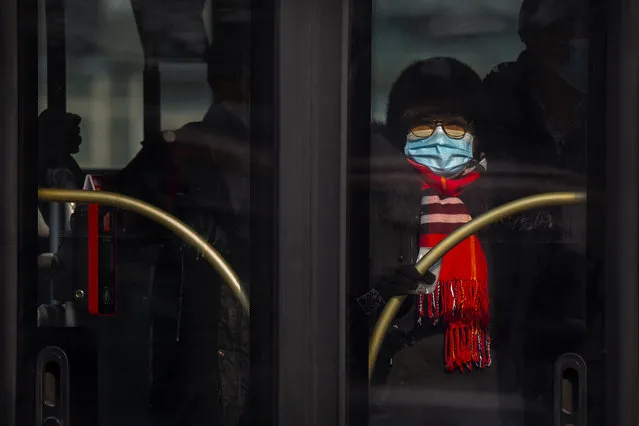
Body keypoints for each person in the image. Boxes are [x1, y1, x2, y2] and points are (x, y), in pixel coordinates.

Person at [360, 57, 500, 426]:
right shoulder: (366, 207)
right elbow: (340, 315)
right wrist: (383, 295)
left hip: (489, 393)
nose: (439, 138)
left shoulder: (505, 212)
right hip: (398, 391)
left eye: (454, 125)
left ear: (476, 132)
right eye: (422, 125)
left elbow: (522, 315)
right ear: (397, 132)